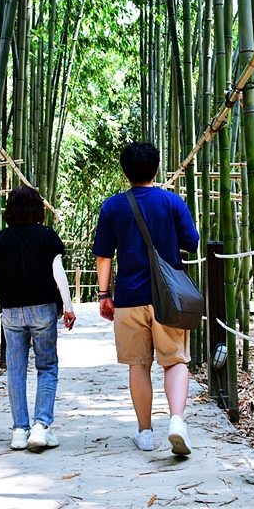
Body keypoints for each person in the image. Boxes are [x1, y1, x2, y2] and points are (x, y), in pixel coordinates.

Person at [92, 142, 199, 455]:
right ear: (156, 170)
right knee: (175, 359)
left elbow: (103, 257)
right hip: (169, 298)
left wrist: (103, 294)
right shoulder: (172, 201)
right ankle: (177, 420)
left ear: (125, 173)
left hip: (129, 297)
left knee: (138, 365)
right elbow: (191, 242)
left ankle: (145, 432)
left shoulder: (112, 206)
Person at [0, 186, 76, 452]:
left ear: (9, 210)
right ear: (38, 209)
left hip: (11, 311)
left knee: (16, 369)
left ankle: (19, 430)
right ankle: (41, 425)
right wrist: (68, 308)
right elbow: (59, 276)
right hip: (43, 309)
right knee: (46, 366)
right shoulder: (47, 236)